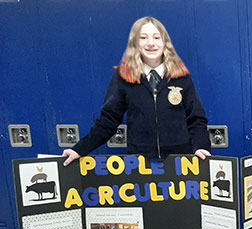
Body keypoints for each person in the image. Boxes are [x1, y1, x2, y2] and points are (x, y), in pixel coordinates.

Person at [62, 16, 211, 165]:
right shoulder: (124, 76)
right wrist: (79, 149)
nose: (151, 43)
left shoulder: (181, 76)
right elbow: (108, 121)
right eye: (143, 37)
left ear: (165, 43)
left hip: (179, 160)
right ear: (135, 43)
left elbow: (196, 119)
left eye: (157, 37)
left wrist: (201, 147)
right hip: (140, 162)